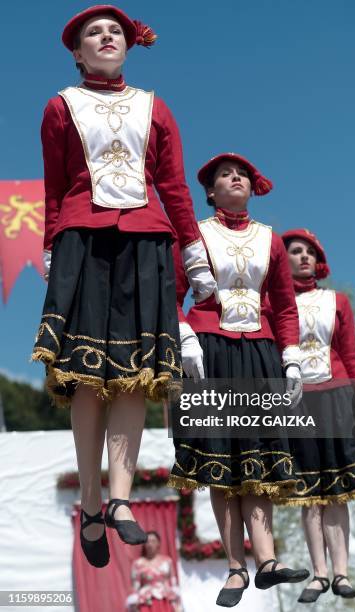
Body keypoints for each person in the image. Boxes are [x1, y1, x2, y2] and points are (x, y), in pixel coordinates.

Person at [31, 5, 216, 568]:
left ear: (128, 45)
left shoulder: (154, 106)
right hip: (81, 238)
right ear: (77, 51)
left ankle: (119, 499)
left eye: (115, 31)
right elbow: (56, 184)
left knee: (134, 378)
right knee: (86, 376)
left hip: (146, 239)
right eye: (94, 32)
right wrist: (49, 245)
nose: (106, 37)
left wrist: (195, 253)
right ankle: (90, 501)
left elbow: (174, 185)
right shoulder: (60, 106)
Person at [168, 153, 309, 607]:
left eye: (243, 174)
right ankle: (234, 567)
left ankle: (266, 562)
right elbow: (171, 293)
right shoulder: (194, 234)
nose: (236, 178)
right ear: (209, 191)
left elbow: (285, 305)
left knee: (258, 461)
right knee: (220, 463)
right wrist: (185, 336)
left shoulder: (270, 239)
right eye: (225, 175)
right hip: (209, 352)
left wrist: (290, 357)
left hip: (261, 351)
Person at [280, 229, 355, 603]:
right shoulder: (275, 302)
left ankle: (341, 572)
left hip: (337, 395)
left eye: (310, 251)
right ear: (284, 257)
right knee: (309, 492)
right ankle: (318, 574)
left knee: (337, 490)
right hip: (296, 401)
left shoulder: (336, 300)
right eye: (296, 251)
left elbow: (348, 351)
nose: (304, 257)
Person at [126, 531, 182, 612]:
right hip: (146, 601)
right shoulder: (138, 564)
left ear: (158, 544)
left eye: (153, 541)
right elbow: (135, 586)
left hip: (165, 600)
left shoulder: (167, 561)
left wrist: (177, 604)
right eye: (147, 541)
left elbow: (173, 582)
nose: (150, 544)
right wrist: (134, 605)